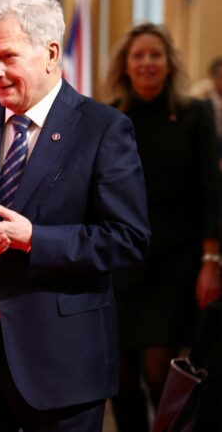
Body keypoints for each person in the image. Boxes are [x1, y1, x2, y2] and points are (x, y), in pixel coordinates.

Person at [0, 0, 150, 432]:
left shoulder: (104, 129)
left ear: (50, 52)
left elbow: (128, 238)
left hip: (61, 365)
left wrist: (34, 240)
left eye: (7, 57)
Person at [105, 23, 221, 432]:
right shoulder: (111, 117)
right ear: (126, 65)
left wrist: (212, 260)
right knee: (117, 378)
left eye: (155, 55)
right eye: (138, 56)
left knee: (159, 373)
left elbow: (212, 188)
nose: (147, 63)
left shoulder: (195, 114)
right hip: (120, 262)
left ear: (169, 64)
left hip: (175, 263)